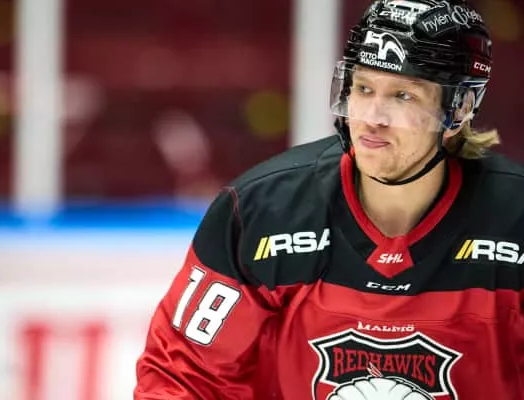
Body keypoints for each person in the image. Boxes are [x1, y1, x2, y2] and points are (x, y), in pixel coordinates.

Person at [135, 0, 523, 398]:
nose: (373, 116)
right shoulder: (263, 212)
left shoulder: (515, 220)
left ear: (459, 107)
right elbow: (183, 375)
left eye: (403, 96)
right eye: (364, 88)